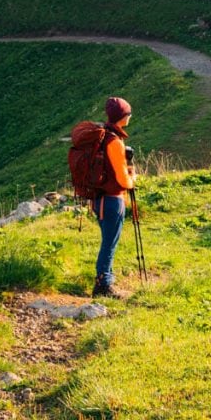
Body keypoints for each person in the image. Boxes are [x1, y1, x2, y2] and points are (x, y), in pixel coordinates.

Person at [92, 96, 135, 298]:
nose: (130, 116)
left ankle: (105, 279)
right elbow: (122, 179)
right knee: (109, 244)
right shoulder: (114, 142)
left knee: (107, 241)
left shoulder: (103, 136)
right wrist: (132, 177)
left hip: (98, 199)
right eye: (128, 113)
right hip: (112, 200)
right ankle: (103, 285)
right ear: (122, 116)